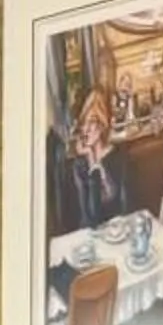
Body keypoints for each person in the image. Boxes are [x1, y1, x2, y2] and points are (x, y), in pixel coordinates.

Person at [50, 88, 128, 233]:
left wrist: (97, 166)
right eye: (83, 123)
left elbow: (117, 201)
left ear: (103, 124)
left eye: (91, 122)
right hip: (92, 235)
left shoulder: (117, 156)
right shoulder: (79, 165)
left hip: (118, 231)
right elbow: (91, 216)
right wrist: (91, 159)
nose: (86, 129)